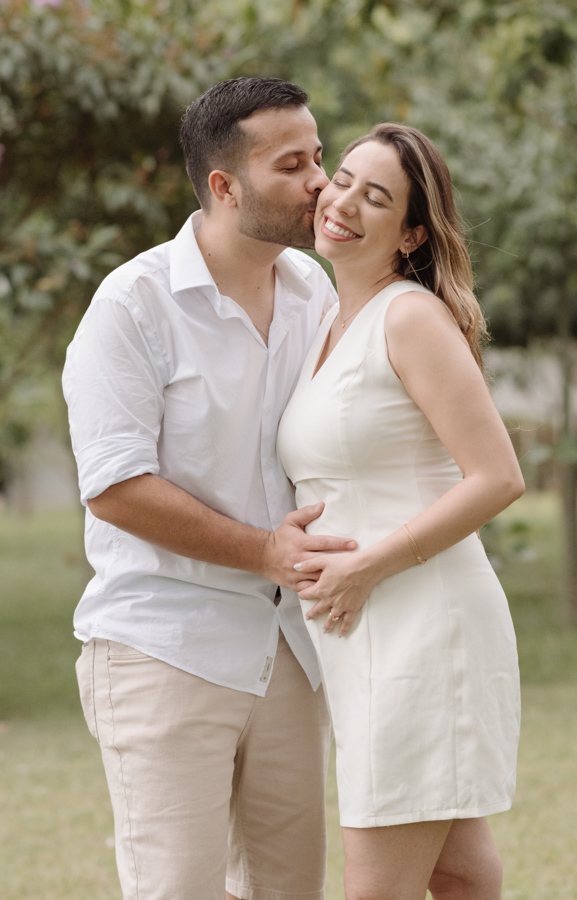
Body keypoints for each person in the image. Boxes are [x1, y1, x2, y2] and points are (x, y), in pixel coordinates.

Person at [62, 77, 356, 900]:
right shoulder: (132, 305)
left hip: (290, 653)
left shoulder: (314, 293)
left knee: (289, 890)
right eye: (292, 164)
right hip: (163, 646)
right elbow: (115, 485)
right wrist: (264, 549)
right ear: (224, 186)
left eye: (319, 158)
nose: (320, 184)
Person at [277, 123, 525, 900]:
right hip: (365, 634)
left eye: (374, 196)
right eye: (342, 178)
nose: (341, 201)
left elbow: (497, 476)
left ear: (412, 232)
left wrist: (364, 568)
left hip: (422, 624)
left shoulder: (409, 317)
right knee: (457, 874)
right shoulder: (326, 318)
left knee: (373, 886)